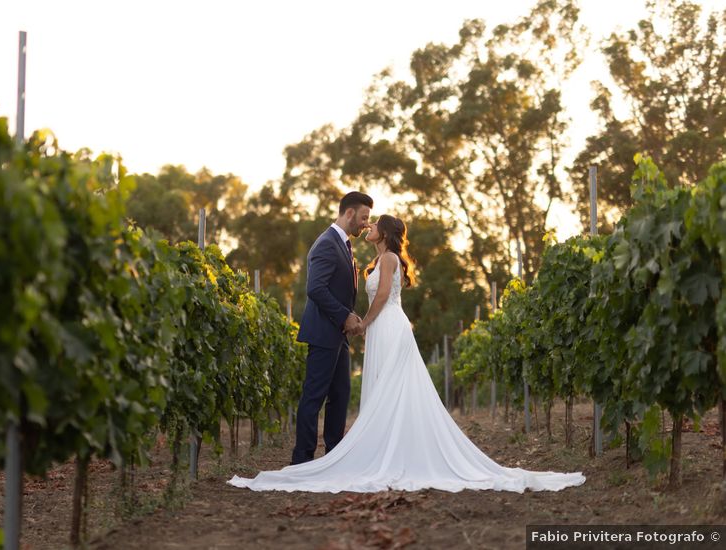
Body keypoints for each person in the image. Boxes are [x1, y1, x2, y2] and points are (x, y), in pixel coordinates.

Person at [229, 214, 586, 493]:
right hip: (383, 328)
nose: (368, 226)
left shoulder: (389, 260)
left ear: (383, 234)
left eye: (374, 223)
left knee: (391, 389)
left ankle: (388, 452)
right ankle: (383, 447)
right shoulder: (379, 257)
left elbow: (382, 296)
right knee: (387, 390)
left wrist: (364, 323)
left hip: (386, 325)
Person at [289, 191, 372, 466]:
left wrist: (350, 317)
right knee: (314, 397)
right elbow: (315, 288)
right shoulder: (326, 243)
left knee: (340, 396)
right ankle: (302, 460)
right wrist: (343, 316)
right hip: (324, 332)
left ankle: (334, 458)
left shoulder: (345, 245)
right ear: (349, 213)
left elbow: (337, 289)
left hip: (338, 334)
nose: (365, 224)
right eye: (364, 217)